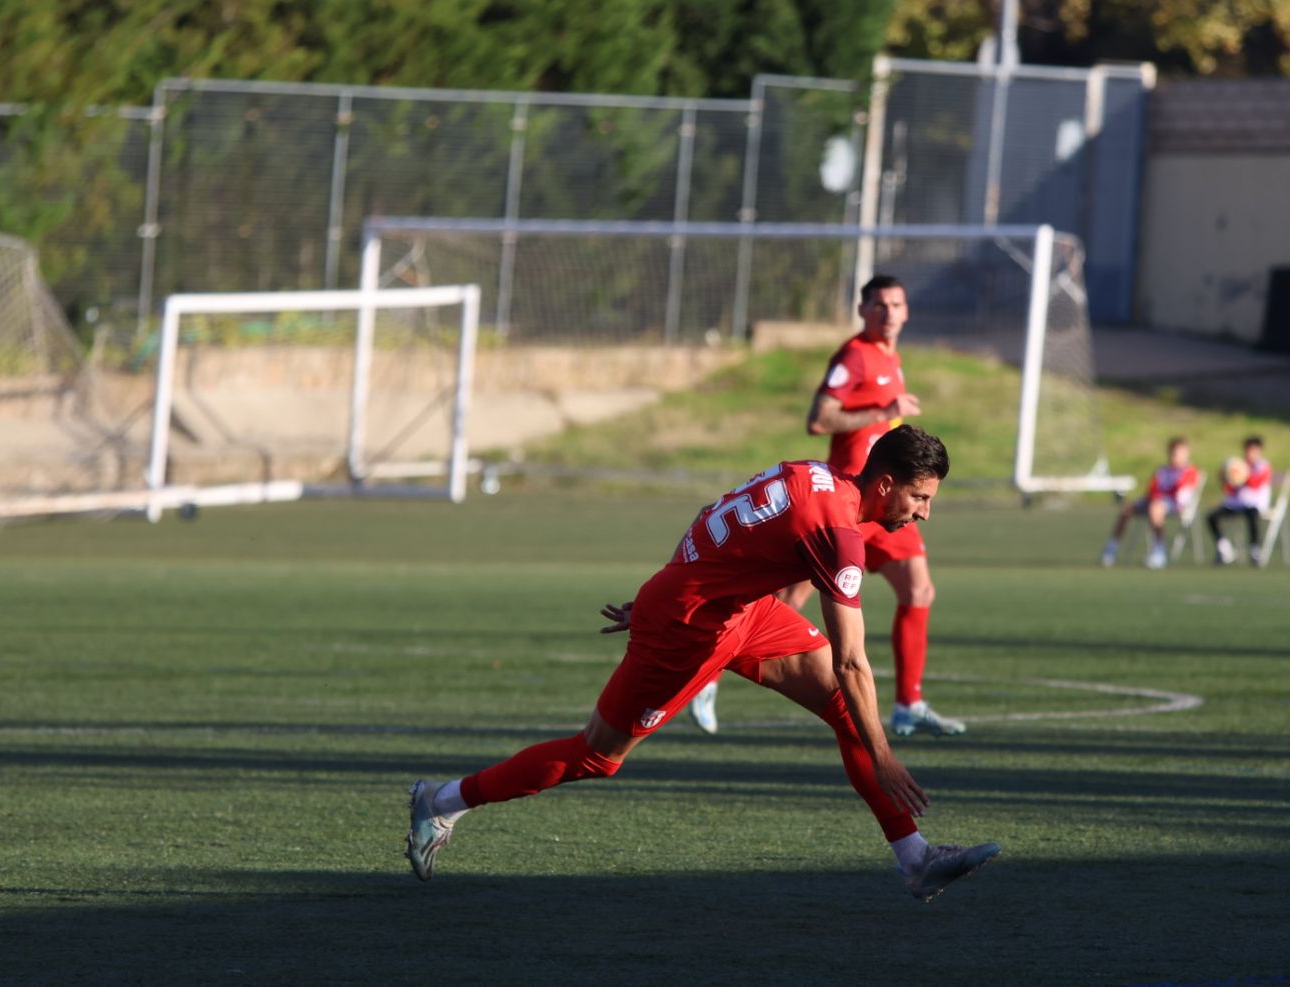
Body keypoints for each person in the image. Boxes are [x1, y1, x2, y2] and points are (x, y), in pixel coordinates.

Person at [405, 425, 1000, 901]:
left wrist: (673, 582)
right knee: (596, 755)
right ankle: (442, 800)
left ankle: (916, 860)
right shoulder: (839, 534)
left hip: (739, 611)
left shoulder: (810, 474)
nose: (923, 514)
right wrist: (886, 756)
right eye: (920, 498)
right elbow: (852, 661)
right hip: (688, 631)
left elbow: (711, 518)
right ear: (888, 482)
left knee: (848, 712)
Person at [690, 274, 964, 739]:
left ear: (907, 311)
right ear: (863, 311)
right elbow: (819, 419)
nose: (889, 313)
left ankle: (908, 704)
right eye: (879, 305)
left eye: (897, 304)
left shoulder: (891, 359)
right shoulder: (855, 355)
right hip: (845, 506)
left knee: (918, 591)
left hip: (889, 506)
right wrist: (884, 409)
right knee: (784, 597)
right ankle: (708, 675)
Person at [1100, 437, 1200, 569]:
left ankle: (1159, 552)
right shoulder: (1162, 470)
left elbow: (1183, 495)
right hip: (1154, 501)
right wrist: (1152, 497)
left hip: (1173, 504)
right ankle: (1111, 550)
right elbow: (1151, 490)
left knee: (1155, 509)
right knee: (1126, 510)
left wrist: (1166, 499)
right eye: (1173, 452)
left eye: (1178, 453)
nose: (1175, 456)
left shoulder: (1189, 471)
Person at [1206, 436, 1273, 567]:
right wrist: (1226, 479)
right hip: (1236, 504)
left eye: (1253, 451)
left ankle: (1255, 550)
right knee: (1212, 517)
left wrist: (1243, 475)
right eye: (1248, 450)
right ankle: (1224, 549)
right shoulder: (1239, 464)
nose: (1250, 454)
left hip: (1254, 504)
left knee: (1253, 515)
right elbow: (1229, 489)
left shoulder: (1263, 466)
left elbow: (1257, 483)